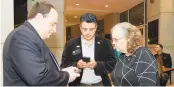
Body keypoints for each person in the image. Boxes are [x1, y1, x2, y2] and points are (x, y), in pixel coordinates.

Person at [3, 1, 80, 86]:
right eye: (52, 24)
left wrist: (62, 72)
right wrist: (66, 76)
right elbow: (38, 78)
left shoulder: (30, 36)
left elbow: (40, 70)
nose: (54, 30)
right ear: (39, 18)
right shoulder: (21, 37)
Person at [60, 13, 116, 86]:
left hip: (100, 84)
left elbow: (112, 64)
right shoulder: (70, 44)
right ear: (80, 27)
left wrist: (97, 65)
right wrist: (77, 65)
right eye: (85, 29)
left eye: (91, 29)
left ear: (96, 27)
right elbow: (64, 65)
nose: (88, 32)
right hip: (78, 84)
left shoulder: (105, 43)